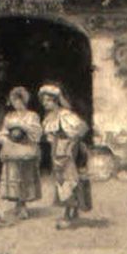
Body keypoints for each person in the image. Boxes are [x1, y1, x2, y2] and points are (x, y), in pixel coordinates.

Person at [39, 84, 91, 229]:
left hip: (66, 151)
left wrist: (71, 145)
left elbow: (82, 128)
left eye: (47, 100)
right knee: (62, 180)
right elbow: (50, 137)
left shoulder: (65, 115)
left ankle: (68, 213)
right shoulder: (50, 117)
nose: (45, 103)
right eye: (44, 100)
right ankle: (72, 210)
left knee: (67, 180)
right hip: (56, 150)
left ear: (55, 100)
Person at [0, 86, 42, 220]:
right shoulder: (10, 116)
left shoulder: (32, 116)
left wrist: (23, 128)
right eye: (13, 101)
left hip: (26, 149)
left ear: (23, 100)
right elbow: (3, 131)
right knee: (13, 175)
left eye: (17, 101)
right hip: (12, 149)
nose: (15, 104)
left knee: (24, 176)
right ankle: (17, 204)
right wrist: (1, 139)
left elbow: (37, 133)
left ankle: (24, 206)